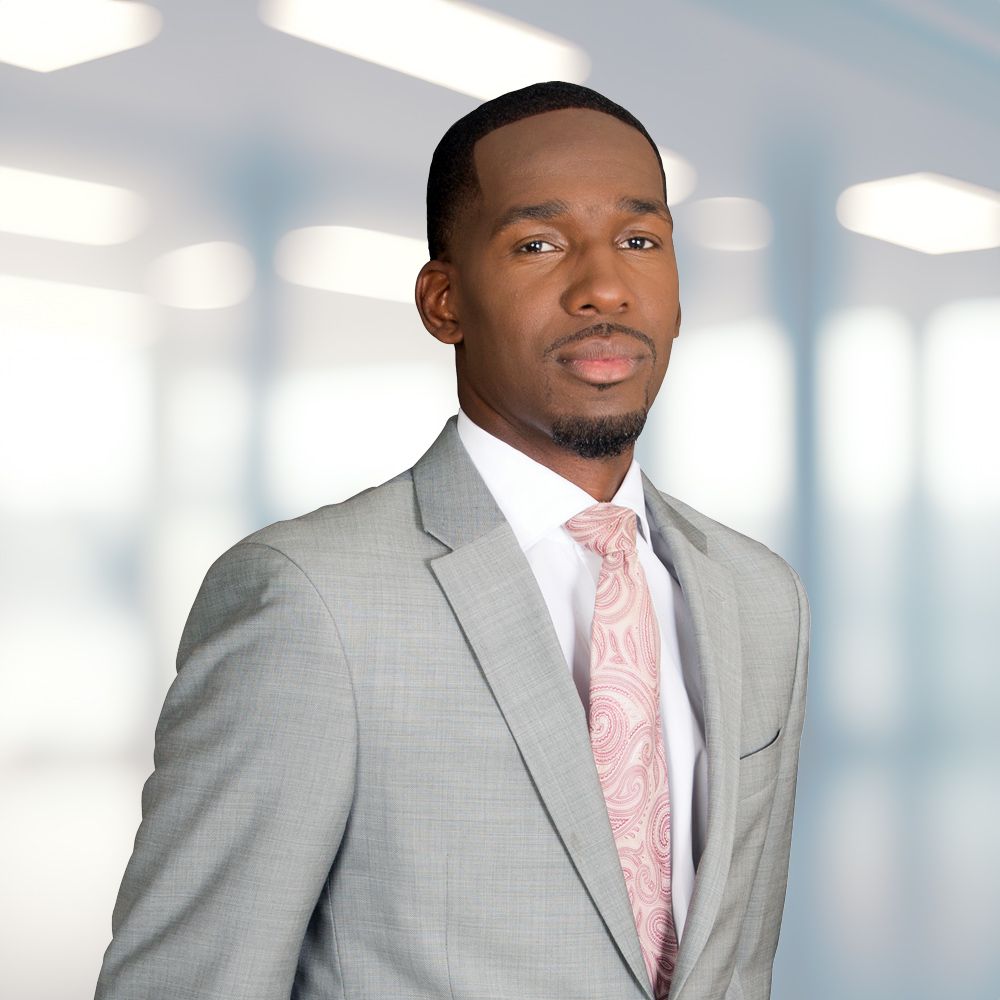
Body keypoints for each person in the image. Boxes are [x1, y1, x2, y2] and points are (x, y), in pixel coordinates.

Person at [95, 81, 810, 1000]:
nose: (602, 285)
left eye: (640, 240)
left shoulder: (760, 596)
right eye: (538, 243)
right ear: (443, 300)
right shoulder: (311, 600)